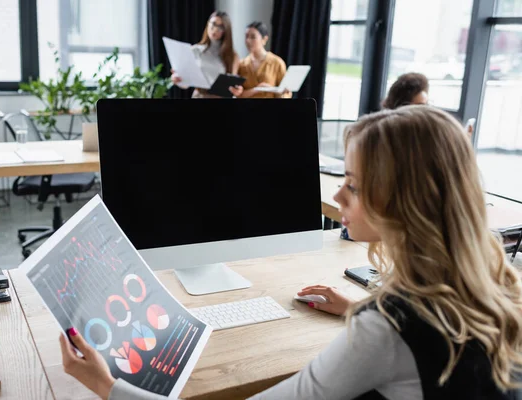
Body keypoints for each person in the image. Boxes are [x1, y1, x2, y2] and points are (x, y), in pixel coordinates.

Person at [59, 106, 522, 399]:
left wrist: (106, 385)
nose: (337, 198)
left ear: (408, 203)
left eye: (355, 186)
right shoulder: (496, 286)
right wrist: (361, 307)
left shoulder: (386, 330)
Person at [171, 11, 240, 98]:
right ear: (208, 24)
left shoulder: (232, 55)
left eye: (220, 27)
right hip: (200, 96)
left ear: (225, 30)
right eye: (213, 24)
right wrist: (178, 80)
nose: (215, 29)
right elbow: (186, 84)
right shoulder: (195, 50)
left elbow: (232, 85)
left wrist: (237, 90)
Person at [229, 22, 291, 99]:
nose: (248, 40)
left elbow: (286, 93)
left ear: (264, 39)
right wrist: (257, 89)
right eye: (246, 36)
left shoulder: (277, 62)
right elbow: (238, 94)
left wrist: (273, 90)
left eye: (253, 37)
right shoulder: (241, 64)